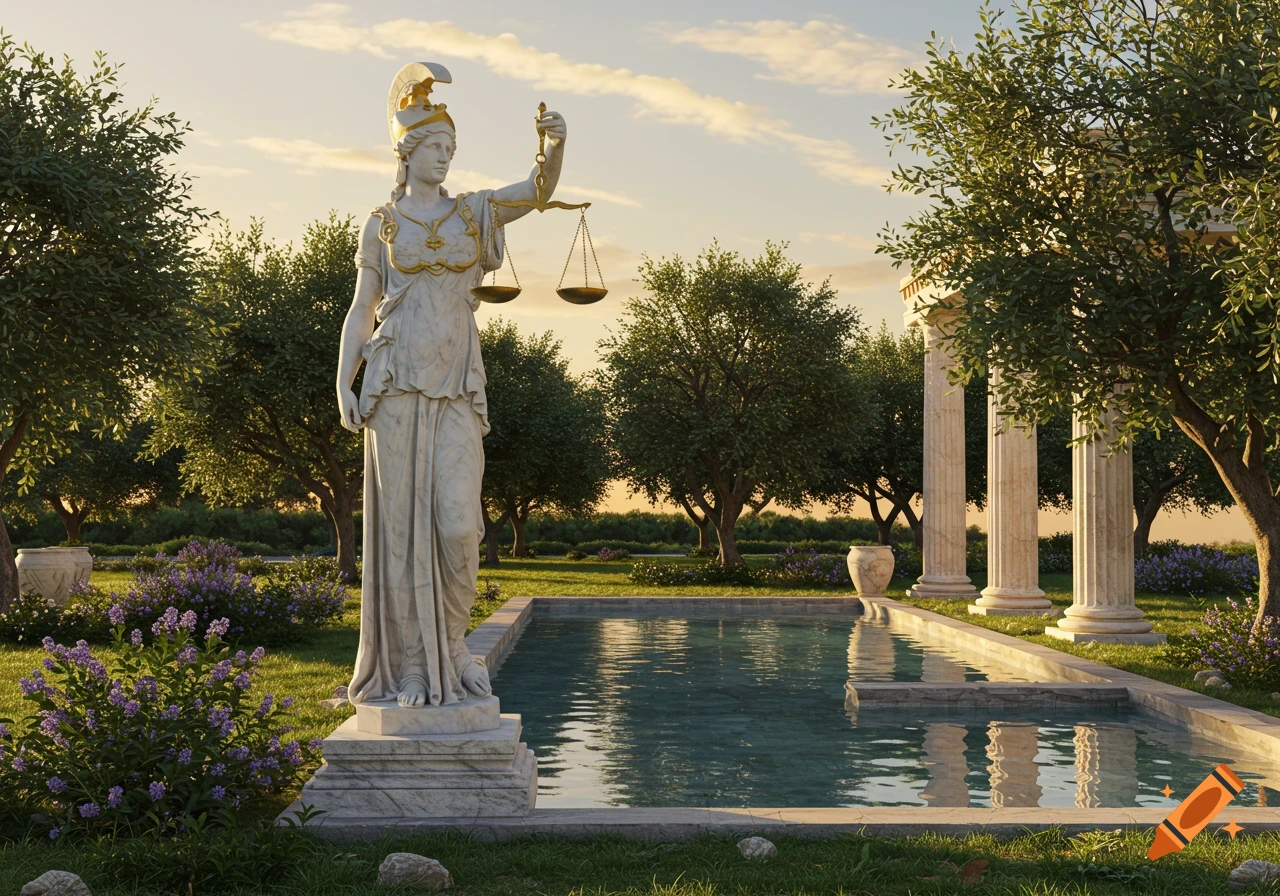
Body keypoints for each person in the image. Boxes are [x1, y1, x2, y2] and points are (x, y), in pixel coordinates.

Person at [335, 62, 567, 708]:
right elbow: (362, 307)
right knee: (402, 538)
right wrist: (342, 380)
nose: (445, 158)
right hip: (395, 384)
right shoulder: (381, 224)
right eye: (435, 148)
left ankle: (454, 652)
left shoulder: (473, 214)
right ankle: (413, 670)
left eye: (450, 149)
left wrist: (555, 145)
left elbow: (537, 190)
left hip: (458, 386)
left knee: (458, 526)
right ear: (407, 153)